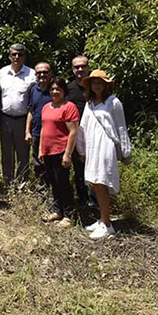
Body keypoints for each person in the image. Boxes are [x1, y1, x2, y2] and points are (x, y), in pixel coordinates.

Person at [76, 70, 132, 239]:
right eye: (94, 82)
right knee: (94, 182)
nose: (97, 86)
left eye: (100, 82)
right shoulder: (89, 103)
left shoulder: (113, 102)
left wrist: (126, 152)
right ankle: (102, 219)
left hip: (105, 145)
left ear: (106, 85)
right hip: (92, 146)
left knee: (101, 181)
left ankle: (107, 225)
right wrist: (81, 149)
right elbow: (83, 127)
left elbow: (121, 127)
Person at [39, 78, 80, 228]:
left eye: (58, 89)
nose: (55, 92)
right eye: (52, 89)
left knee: (63, 183)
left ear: (64, 91)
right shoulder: (46, 107)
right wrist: (41, 150)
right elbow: (44, 129)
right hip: (47, 151)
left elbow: (73, 132)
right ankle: (57, 211)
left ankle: (69, 215)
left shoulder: (69, 107)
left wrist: (68, 154)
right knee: (53, 183)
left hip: (61, 151)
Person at [0, 43, 36, 187]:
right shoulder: (2, 72)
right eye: (13, 54)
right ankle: (8, 182)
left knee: (23, 153)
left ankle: (22, 183)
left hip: (22, 119)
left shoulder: (31, 74)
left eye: (20, 54)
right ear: (9, 56)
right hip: (5, 118)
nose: (16, 57)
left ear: (24, 57)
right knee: (6, 153)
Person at [66, 55, 91, 206]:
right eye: (77, 67)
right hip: (75, 134)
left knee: (95, 168)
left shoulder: (96, 86)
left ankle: (96, 200)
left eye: (83, 66)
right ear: (72, 69)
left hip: (94, 134)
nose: (80, 69)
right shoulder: (68, 89)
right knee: (79, 169)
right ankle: (83, 200)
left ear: (88, 67)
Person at [26, 62, 53, 192]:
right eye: (39, 72)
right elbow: (31, 111)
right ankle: (43, 190)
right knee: (38, 163)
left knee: (52, 163)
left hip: (53, 134)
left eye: (45, 72)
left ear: (50, 73)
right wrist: (27, 131)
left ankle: (55, 190)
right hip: (36, 132)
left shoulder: (55, 89)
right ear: (35, 74)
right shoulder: (33, 89)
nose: (42, 75)